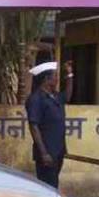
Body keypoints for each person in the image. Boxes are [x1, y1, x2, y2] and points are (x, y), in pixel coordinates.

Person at [25, 60, 74, 189]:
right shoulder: (36, 99)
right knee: (48, 187)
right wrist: (44, 153)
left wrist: (69, 75)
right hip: (47, 151)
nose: (57, 79)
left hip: (58, 149)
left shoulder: (54, 95)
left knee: (53, 184)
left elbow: (67, 97)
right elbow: (34, 126)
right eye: (55, 76)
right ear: (47, 79)